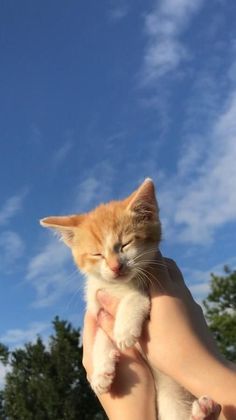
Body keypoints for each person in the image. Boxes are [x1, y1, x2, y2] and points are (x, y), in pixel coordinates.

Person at [82, 253, 236, 420]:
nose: (114, 264)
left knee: (170, 397)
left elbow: (130, 306)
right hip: (168, 383)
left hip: (166, 386)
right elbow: (104, 328)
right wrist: (204, 366)